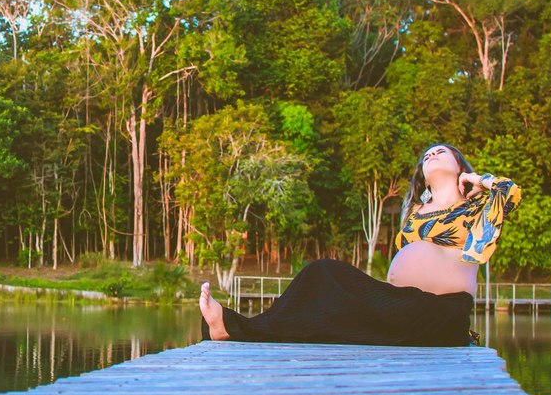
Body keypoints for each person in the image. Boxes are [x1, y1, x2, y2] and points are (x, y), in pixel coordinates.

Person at [197, 142, 522, 347]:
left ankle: (234, 327)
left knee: (325, 285)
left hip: (442, 312)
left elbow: (511, 193)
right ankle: (235, 327)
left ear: (460, 166)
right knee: (320, 276)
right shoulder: (413, 215)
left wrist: (477, 180)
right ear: (422, 178)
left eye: (441, 152)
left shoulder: (477, 207)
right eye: (427, 155)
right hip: (398, 306)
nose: (432, 155)